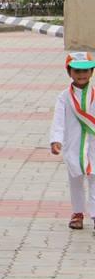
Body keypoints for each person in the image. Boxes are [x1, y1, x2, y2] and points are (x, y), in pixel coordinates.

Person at [49, 52, 95, 230]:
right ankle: (77, 213)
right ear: (69, 72)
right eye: (77, 71)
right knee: (75, 180)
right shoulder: (64, 97)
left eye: (85, 71)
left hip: (93, 144)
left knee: (94, 179)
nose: (81, 75)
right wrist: (56, 139)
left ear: (92, 72)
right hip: (73, 144)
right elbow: (58, 120)